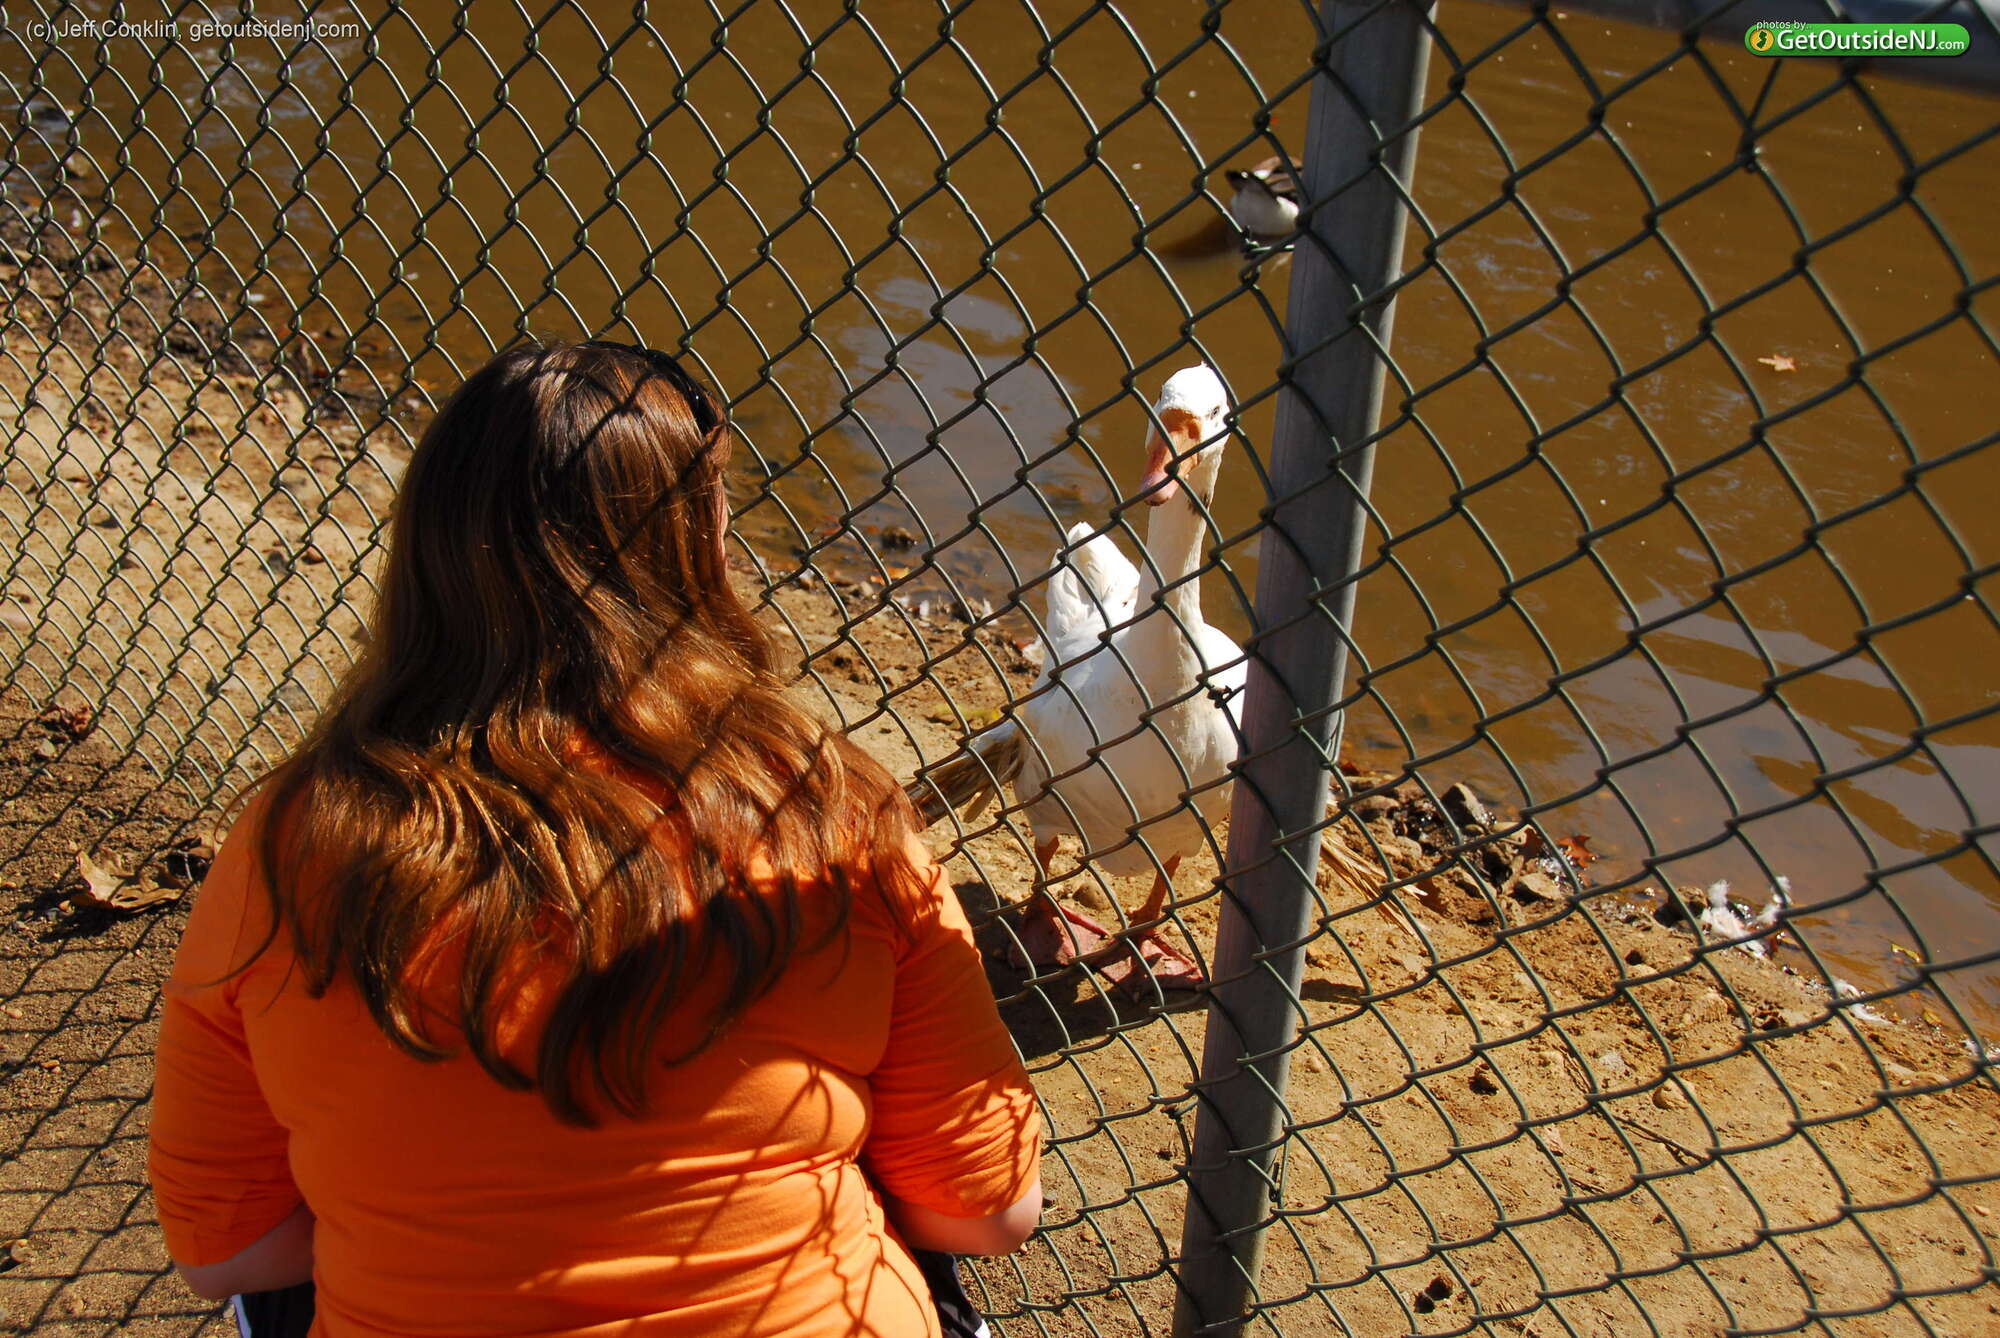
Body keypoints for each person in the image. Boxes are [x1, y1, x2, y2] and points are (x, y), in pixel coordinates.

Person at [148, 339, 1043, 1337]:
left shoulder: (290, 838)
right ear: (699, 547)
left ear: (427, 547)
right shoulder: (833, 813)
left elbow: (225, 1252)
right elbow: (988, 1213)